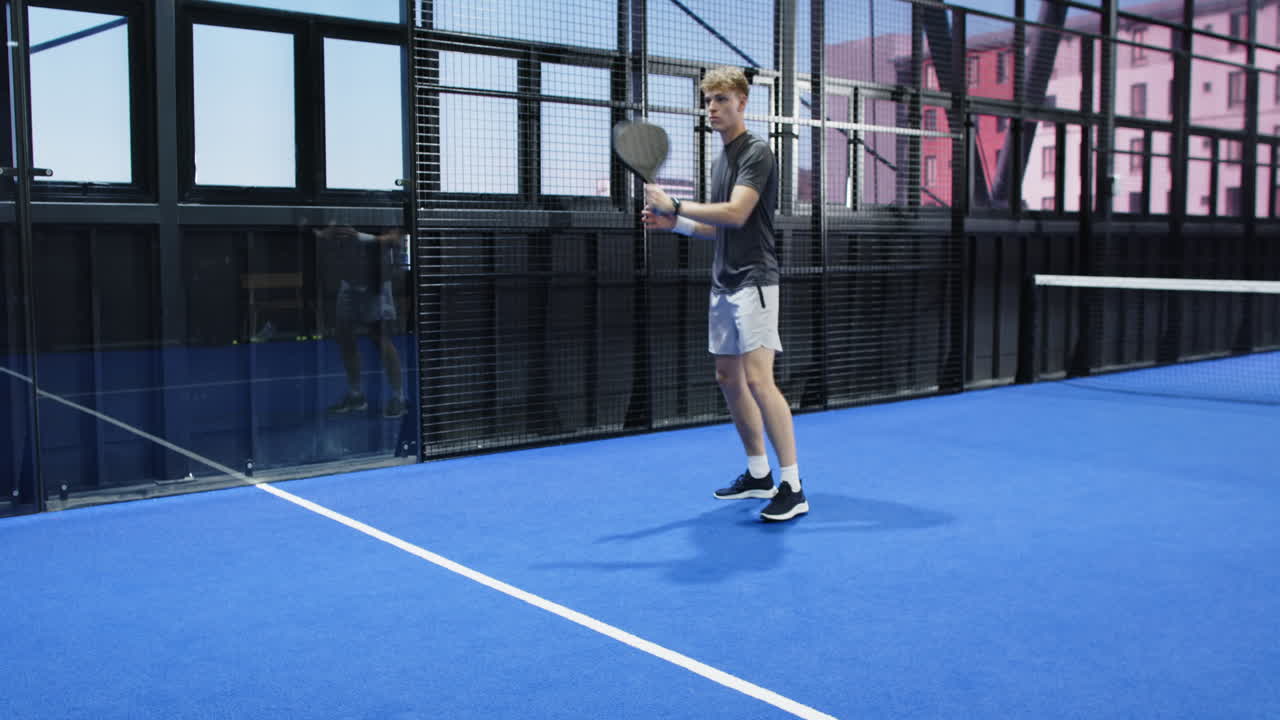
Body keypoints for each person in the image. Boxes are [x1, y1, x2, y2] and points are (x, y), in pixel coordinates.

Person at [642, 66, 808, 522]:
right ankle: (759, 475)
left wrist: (674, 204)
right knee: (727, 378)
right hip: (724, 281)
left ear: (742, 102)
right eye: (708, 100)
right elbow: (715, 228)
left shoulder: (756, 152)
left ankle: (793, 486)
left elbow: (735, 214)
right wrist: (673, 223)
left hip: (755, 280)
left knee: (759, 380)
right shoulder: (721, 159)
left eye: (721, 99)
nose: (712, 108)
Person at [314, 223, 407, 419]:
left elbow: (394, 238)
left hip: (375, 286)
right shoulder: (342, 212)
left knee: (380, 339)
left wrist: (361, 236)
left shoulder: (382, 208)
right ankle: (356, 396)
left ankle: (399, 397)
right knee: (345, 338)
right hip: (349, 285)